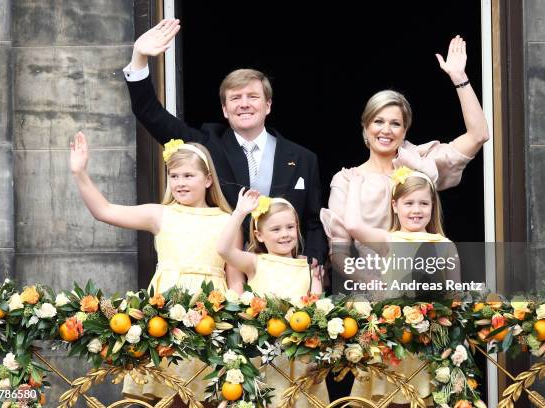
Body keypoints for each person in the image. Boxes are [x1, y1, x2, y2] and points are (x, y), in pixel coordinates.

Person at [123, 18, 327, 272]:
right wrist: (139, 58)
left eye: (253, 97)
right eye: (235, 98)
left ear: (268, 105)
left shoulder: (303, 157)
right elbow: (150, 113)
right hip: (224, 272)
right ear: (225, 109)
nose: (244, 104)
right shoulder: (208, 145)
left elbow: (313, 221)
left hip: (285, 272)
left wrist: (314, 260)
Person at [70, 133, 244, 404]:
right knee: (165, 395)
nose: (180, 182)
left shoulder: (227, 220)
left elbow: (236, 281)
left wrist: (233, 324)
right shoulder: (161, 213)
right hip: (164, 317)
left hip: (211, 317)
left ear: (208, 179)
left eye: (188, 175)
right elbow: (104, 210)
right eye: (174, 176)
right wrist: (79, 172)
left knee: (208, 395)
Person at [320, 35, 489, 282]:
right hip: (371, 296)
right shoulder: (348, 179)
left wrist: (459, 78)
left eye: (395, 123)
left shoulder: (420, 165)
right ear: (366, 127)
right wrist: (378, 285)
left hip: (424, 290)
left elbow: (479, 135)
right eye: (378, 121)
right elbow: (338, 255)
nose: (386, 130)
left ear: (405, 130)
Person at [342, 166, 459, 405]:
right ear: (395, 206)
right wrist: (354, 184)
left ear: (432, 207)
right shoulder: (389, 240)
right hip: (392, 340)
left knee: (425, 397)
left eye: (424, 204)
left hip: (428, 342)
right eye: (409, 203)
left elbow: (455, 295)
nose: (416, 210)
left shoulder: (445, 244)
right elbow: (353, 225)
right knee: (389, 398)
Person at [216, 189, 328, 408]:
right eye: (275, 229)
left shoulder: (307, 267)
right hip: (263, 355)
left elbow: (316, 308)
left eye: (290, 227)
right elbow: (223, 249)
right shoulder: (256, 262)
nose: (284, 234)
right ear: (259, 235)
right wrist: (240, 212)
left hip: (297, 358)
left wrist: (316, 279)